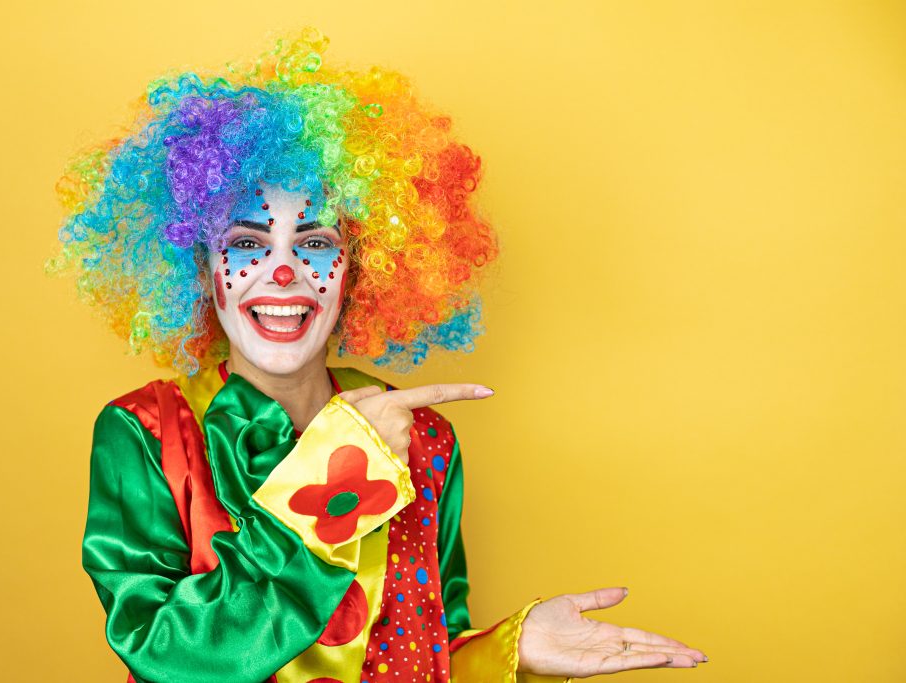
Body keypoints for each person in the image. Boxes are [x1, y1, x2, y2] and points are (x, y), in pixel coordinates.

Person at [53, 28, 707, 683]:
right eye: (248, 244)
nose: (283, 273)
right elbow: (167, 656)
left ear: (359, 271)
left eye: (315, 244)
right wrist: (338, 482)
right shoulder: (147, 434)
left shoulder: (423, 437)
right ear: (201, 268)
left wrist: (509, 649)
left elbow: (425, 655)